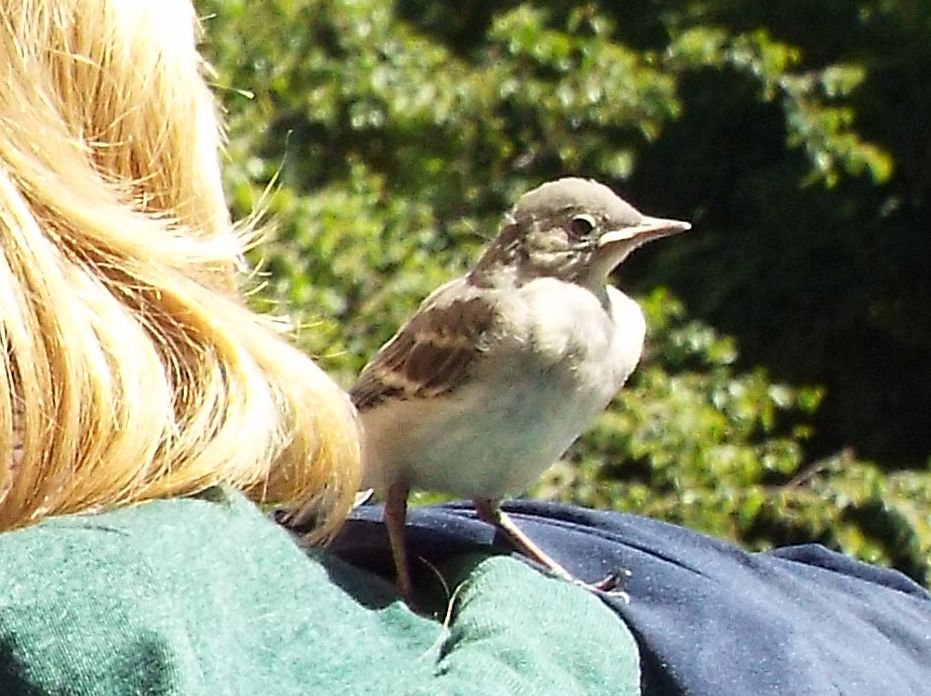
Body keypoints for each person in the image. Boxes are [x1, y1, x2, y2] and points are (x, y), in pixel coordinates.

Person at [0, 2, 928, 695]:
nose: (621, 238)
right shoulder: (489, 317)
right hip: (386, 458)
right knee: (396, 506)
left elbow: (487, 499)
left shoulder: (616, 333)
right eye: (585, 228)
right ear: (530, 239)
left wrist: (559, 586)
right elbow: (382, 434)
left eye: (620, 230)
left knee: (490, 508)